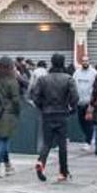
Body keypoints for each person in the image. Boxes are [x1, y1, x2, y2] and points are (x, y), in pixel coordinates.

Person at [31, 53, 78, 183]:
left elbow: (35, 97)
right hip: (62, 113)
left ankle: (41, 161)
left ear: (51, 62)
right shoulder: (68, 78)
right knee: (62, 144)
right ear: (63, 63)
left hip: (47, 114)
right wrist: (71, 108)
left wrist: (42, 107)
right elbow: (75, 97)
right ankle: (63, 172)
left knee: (47, 142)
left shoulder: (43, 79)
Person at [0, 56, 21, 177]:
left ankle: (8, 165)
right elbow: (16, 99)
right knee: (4, 140)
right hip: (8, 113)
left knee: (2, 138)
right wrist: (17, 111)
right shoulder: (12, 81)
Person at [72, 55, 97, 150]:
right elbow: (73, 85)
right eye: (83, 61)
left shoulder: (94, 73)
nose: (85, 63)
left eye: (86, 61)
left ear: (89, 62)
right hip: (79, 102)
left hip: (89, 103)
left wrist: (93, 102)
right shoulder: (77, 73)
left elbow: (96, 87)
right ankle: (90, 137)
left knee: (88, 122)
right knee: (81, 122)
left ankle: (88, 141)